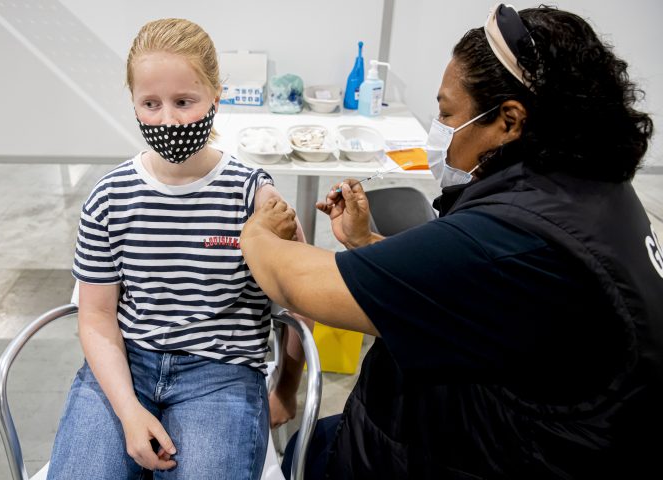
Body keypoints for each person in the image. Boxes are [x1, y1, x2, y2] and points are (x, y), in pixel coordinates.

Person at [241, 4, 663, 479]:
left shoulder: (515, 236)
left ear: (509, 120)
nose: (438, 131)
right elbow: (465, 292)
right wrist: (365, 243)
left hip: (480, 454)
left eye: (446, 113)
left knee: (305, 450)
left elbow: (299, 284)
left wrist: (256, 230)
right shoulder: (589, 188)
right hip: (507, 422)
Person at [48, 18, 311, 480]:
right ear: (132, 102)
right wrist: (129, 412)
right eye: (150, 103)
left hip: (222, 373)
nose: (167, 119)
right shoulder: (110, 197)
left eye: (183, 102)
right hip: (125, 363)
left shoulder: (254, 197)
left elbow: (300, 302)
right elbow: (95, 316)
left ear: (216, 95)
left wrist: (286, 389)